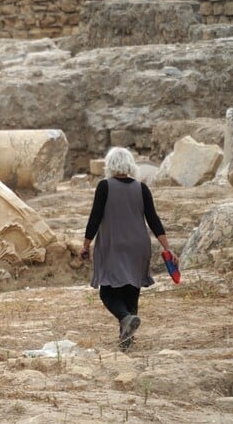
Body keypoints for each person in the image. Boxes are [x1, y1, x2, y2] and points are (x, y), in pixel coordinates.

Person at [78, 147, 178, 352]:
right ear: (130, 165)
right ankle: (127, 341)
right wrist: (167, 247)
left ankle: (125, 319)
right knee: (131, 291)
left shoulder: (104, 186)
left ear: (110, 165)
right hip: (138, 246)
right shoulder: (142, 189)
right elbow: (154, 220)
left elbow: (95, 218)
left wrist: (85, 245)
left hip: (114, 245)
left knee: (107, 292)